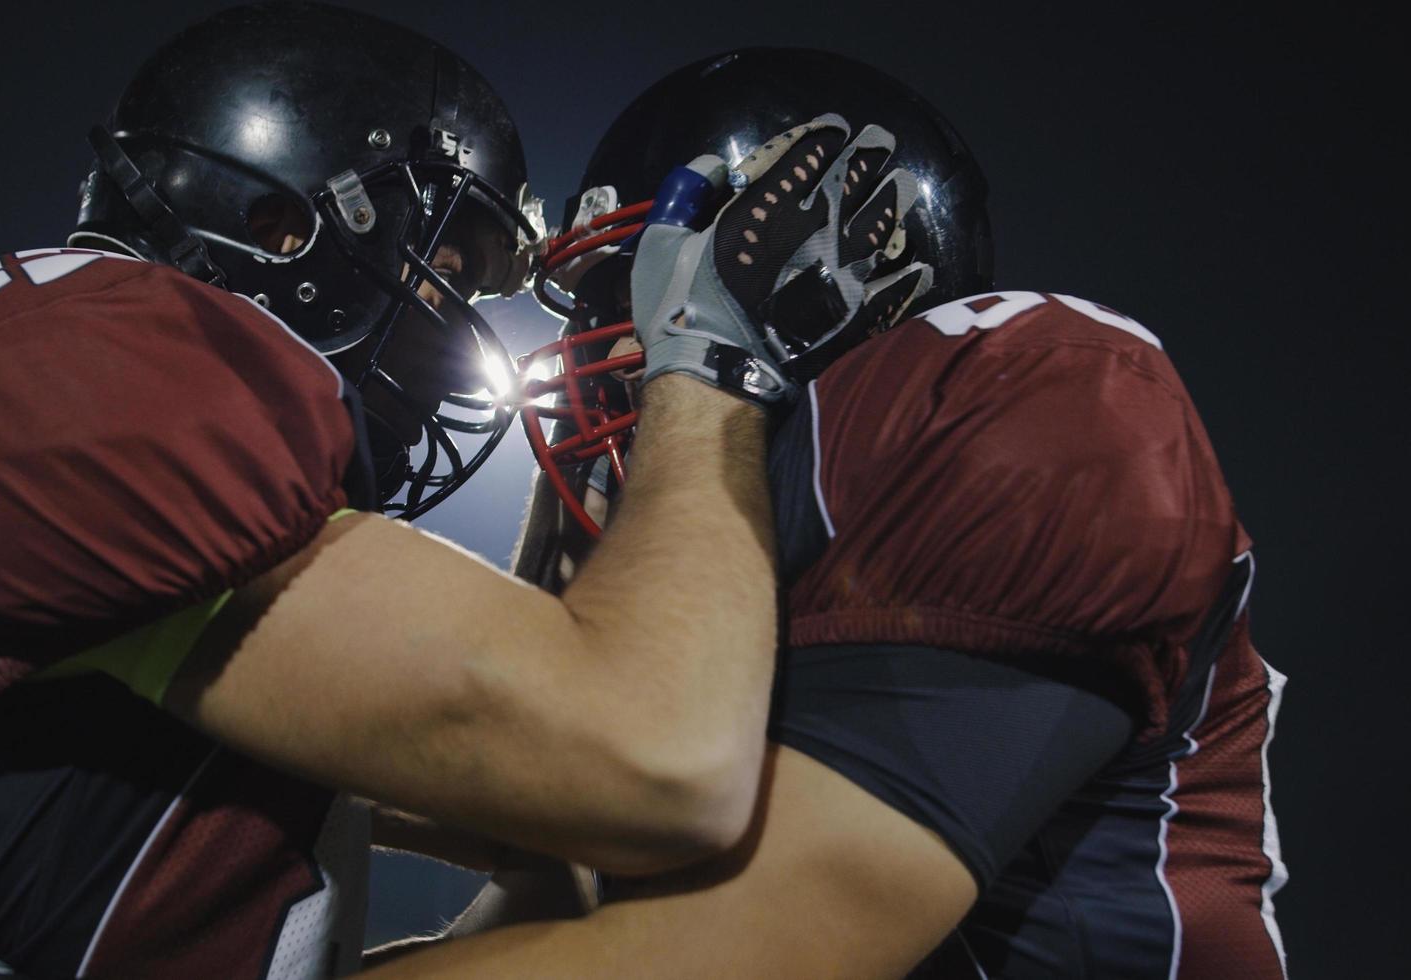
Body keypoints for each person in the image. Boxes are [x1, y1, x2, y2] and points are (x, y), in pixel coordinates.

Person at [0, 7, 919, 976]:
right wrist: (711, 364)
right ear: (285, 224)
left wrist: (598, 438)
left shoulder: (123, 511)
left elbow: (560, 837)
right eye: (448, 269)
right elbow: (654, 767)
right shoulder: (101, 349)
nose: (452, 324)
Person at [376, 48, 1290, 979]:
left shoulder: (1037, 391)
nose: (599, 352)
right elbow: (548, 886)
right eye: (601, 305)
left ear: (837, 269)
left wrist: (706, 372)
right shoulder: (726, 525)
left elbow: (716, 961)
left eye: (654, 289)